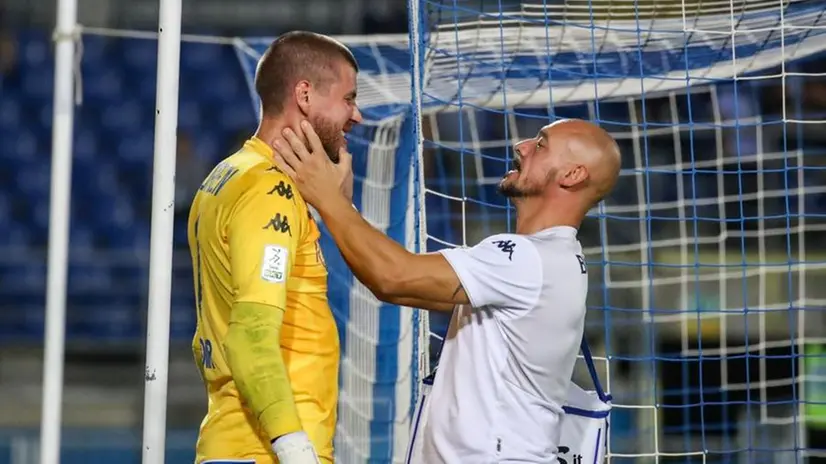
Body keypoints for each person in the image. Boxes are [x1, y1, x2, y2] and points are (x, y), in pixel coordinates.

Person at [271, 118, 621, 463]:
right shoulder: (555, 258)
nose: (522, 147)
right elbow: (398, 285)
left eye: (541, 144)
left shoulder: (530, 259)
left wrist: (327, 198)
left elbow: (394, 277)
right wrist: (341, 208)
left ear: (572, 175)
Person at [187, 31, 362, 464]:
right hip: (265, 451)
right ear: (304, 94)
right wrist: (295, 449)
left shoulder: (229, 174)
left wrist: (330, 209)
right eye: (348, 98)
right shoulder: (270, 191)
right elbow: (249, 337)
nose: (356, 115)